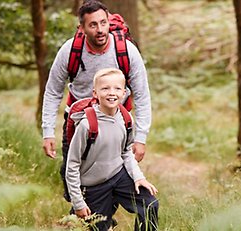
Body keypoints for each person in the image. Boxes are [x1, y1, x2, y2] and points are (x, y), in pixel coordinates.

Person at [41, 0, 151, 201]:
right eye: (93, 25)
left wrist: (140, 137)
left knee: (114, 173)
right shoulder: (70, 51)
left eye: (103, 23)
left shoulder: (126, 51)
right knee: (70, 176)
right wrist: (48, 132)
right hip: (77, 122)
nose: (100, 30)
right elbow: (52, 92)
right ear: (81, 28)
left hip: (115, 121)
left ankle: (103, 216)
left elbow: (143, 95)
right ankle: (87, 211)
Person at [66, 68, 158, 231]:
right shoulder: (87, 125)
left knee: (149, 205)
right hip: (93, 186)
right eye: (105, 88)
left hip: (118, 176)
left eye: (117, 88)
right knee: (95, 226)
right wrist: (78, 203)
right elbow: (72, 165)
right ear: (95, 93)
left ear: (124, 93)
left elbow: (126, 152)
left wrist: (138, 177)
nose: (112, 93)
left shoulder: (126, 118)